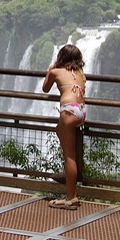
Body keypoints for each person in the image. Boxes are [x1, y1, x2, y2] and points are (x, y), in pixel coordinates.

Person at [41, 43, 87, 209]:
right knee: (59, 131)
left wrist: (51, 68)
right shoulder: (81, 74)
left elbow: (45, 88)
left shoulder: (56, 71)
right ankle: (67, 175)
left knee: (70, 156)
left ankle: (71, 198)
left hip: (68, 111)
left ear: (61, 58)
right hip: (81, 112)